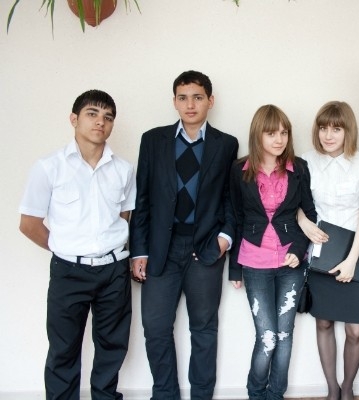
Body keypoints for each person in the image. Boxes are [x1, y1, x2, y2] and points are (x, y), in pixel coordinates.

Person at [129, 70, 239, 400]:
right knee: (155, 327)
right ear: (174, 102)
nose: (190, 104)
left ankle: (201, 395)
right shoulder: (153, 140)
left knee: (203, 327)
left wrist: (224, 239)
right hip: (161, 248)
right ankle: (165, 394)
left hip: (205, 247)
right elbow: (142, 198)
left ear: (210, 101)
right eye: (183, 98)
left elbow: (231, 199)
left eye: (197, 97)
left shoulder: (226, 144)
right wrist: (139, 251)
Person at [19, 90, 135, 400]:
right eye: (92, 114)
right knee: (64, 349)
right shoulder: (49, 167)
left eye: (108, 117)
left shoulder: (123, 170)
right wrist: (66, 247)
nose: (100, 122)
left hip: (114, 271)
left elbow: (124, 218)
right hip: (69, 271)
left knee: (113, 346)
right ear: (74, 119)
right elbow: (29, 224)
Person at [229, 104, 317, 400]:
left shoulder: (299, 168)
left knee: (284, 334)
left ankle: (276, 394)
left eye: (284, 132)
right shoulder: (239, 170)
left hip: (291, 262)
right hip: (254, 262)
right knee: (267, 337)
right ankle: (256, 394)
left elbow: (309, 214)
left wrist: (300, 249)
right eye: (271, 133)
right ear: (258, 135)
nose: (279, 139)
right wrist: (234, 268)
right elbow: (236, 217)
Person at [297, 101, 359, 400]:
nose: (328, 135)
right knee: (324, 322)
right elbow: (294, 202)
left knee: (355, 331)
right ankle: (332, 390)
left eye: (336, 129)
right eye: (323, 128)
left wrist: (352, 260)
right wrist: (303, 222)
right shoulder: (306, 161)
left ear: (347, 131)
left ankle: (348, 389)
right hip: (320, 251)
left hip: (355, 251)